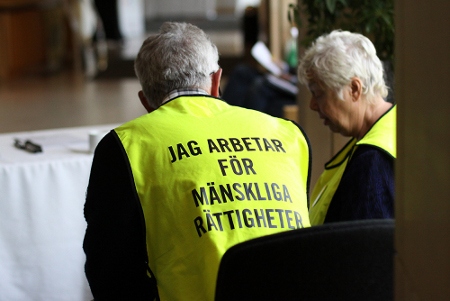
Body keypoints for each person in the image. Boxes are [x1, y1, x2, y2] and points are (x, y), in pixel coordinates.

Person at [83, 22, 312, 301]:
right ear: (216, 82)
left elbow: (109, 269)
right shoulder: (289, 134)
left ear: (146, 101)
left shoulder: (125, 146)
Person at [297, 30, 396, 226]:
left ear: (354, 89)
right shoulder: (400, 126)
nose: (312, 105)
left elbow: (364, 251)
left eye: (319, 94)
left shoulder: (372, 163)